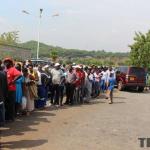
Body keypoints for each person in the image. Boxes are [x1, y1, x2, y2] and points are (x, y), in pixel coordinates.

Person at [0, 61, 8, 126]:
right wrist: (5, 94)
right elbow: (6, 86)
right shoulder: (3, 74)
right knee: (2, 108)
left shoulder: (3, 74)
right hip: (2, 94)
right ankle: (2, 122)